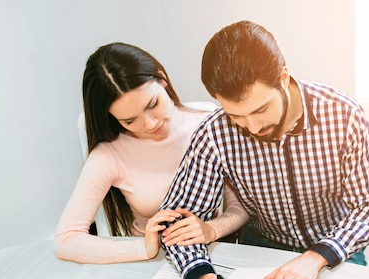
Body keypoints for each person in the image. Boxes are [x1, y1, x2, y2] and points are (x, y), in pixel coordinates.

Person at [161, 20, 369, 279]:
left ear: (283, 77)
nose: (253, 128)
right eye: (236, 116)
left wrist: (314, 258)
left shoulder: (343, 114)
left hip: (336, 248)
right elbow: (176, 222)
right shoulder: (214, 132)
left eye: (260, 110)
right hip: (262, 249)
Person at [55, 42, 248, 264]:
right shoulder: (109, 154)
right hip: (151, 265)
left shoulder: (210, 126)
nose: (150, 124)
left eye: (152, 104)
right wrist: (145, 248)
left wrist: (211, 230)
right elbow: (66, 239)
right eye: (129, 120)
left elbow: (241, 206)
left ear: (162, 78)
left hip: (211, 254)